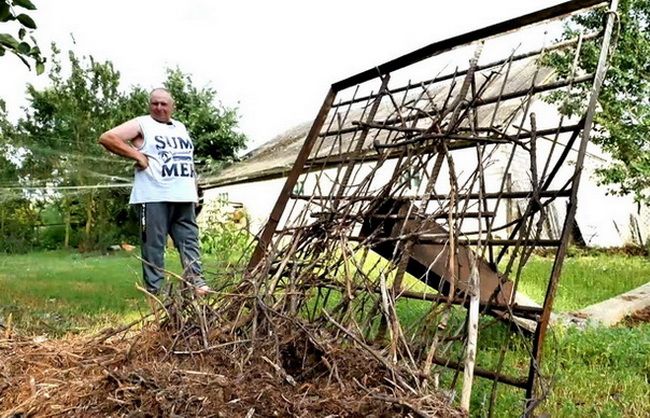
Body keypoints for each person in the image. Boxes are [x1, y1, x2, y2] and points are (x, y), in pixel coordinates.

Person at [99, 88, 210, 296]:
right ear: (150, 106)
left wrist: (194, 191)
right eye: (155, 103)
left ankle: (197, 284)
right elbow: (108, 137)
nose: (159, 107)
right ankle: (155, 290)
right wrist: (137, 156)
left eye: (164, 104)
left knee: (189, 241)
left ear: (172, 106)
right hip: (153, 196)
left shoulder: (180, 127)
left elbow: (187, 160)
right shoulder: (142, 124)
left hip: (183, 196)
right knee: (154, 246)